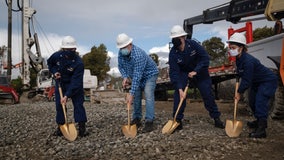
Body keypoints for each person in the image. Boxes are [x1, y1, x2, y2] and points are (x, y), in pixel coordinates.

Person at [168, 25, 225, 131]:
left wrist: (196, 70)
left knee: (207, 94)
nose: (176, 40)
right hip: (184, 74)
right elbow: (174, 71)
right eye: (174, 38)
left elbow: (205, 58)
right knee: (179, 96)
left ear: (183, 38)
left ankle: (216, 118)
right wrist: (180, 88)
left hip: (200, 73)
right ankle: (177, 120)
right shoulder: (173, 53)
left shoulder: (193, 45)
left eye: (178, 38)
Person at [227, 32, 278, 138]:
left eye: (233, 47)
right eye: (230, 47)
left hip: (267, 81)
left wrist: (239, 92)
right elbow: (242, 72)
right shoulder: (239, 58)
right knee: (252, 101)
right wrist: (236, 69)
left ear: (241, 48)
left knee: (260, 102)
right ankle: (258, 120)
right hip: (256, 82)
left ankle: (262, 129)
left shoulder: (248, 61)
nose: (230, 49)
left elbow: (246, 80)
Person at [116, 33, 159, 133]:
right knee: (137, 95)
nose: (122, 49)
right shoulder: (121, 53)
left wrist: (131, 94)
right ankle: (137, 118)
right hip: (135, 75)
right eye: (121, 47)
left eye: (124, 47)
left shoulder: (138, 55)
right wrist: (125, 76)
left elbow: (137, 76)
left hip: (150, 74)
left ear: (130, 44)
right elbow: (120, 66)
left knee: (148, 94)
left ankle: (149, 121)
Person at [47, 36, 88, 137]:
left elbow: (76, 82)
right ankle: (61, 127)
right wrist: (54, 72)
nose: (69, 51)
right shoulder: (56, 56)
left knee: (78, 105)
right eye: (67, 50)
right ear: (63, 49)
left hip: (75, 85)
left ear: (75, 49)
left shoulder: (79, 63)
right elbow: (50, 63)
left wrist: (67, 96)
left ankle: (82, 127)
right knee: (60, 106)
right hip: (61, 83)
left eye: (71, 49)